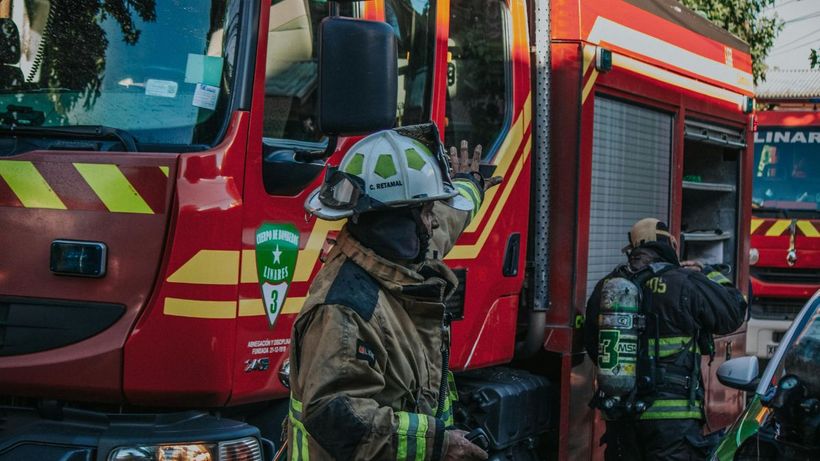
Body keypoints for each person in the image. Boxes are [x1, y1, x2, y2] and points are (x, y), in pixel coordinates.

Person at [286, 126, 500, 461]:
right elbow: (338, 419)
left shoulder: (396, 259)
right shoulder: (345, 309)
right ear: (396, 222)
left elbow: (444, 224)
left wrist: (468, 187)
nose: (431, 223)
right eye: (425, 212)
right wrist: (440, 445)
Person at [584, 218, 747, 461]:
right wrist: (709, 273)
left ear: (633, 249)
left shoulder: (608, 287)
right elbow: (733, 312)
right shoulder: (684, 281)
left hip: (620, 415)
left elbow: (593, 345)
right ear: (669, 245)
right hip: (672, 421)